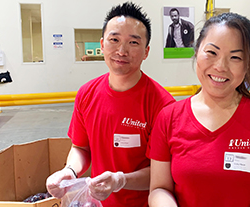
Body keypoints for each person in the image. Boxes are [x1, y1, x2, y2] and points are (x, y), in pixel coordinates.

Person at [149, 13, 250, 207]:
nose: (220, 66)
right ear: (196, 51)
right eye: (212, 52)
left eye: (235, 57)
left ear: (248, 64)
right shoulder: (169, 118)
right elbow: (159, 189)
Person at [46, 2, 175, 207]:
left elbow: (164, 174)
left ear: (146, 51)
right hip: (97, 203)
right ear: (102, 44)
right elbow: (81, 147)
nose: (122, 51)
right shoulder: (86, 94)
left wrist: (120, 181)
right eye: (114, 40)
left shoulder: (163, 106)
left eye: (133, 43)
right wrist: (69, 171)